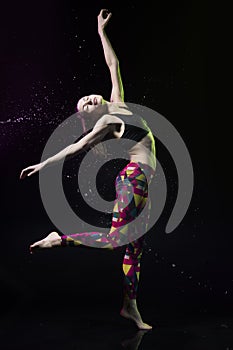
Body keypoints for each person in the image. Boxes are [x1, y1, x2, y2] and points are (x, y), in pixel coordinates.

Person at [20, 9, 156, 330]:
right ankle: (59, 239)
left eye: (88, 98)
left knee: (133, 247)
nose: (89, 100)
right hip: (134, 180)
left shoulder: (118, 103)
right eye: (86, 106)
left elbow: (113, 65)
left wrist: (100, 32)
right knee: (115, 240)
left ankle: (130, 306)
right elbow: (75, 147)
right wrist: (42, 164)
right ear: (91, 118)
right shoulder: (108, 122)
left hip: (142, 181)